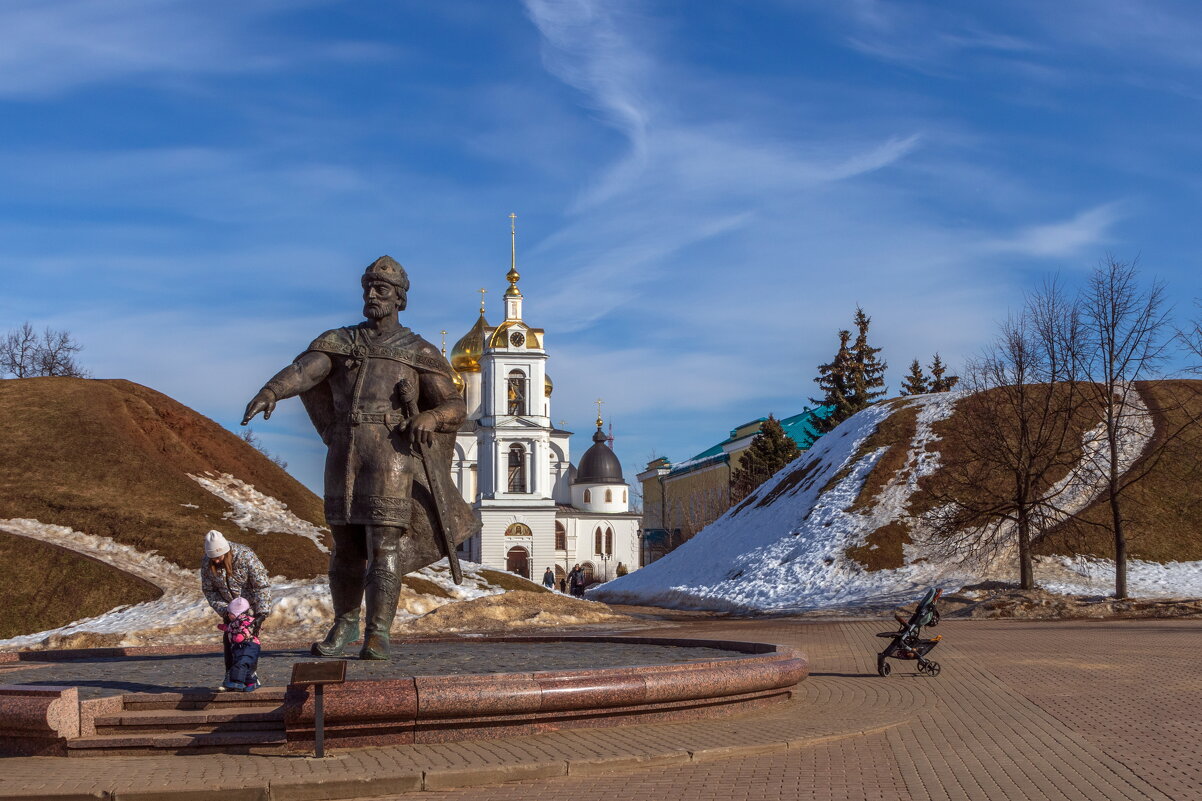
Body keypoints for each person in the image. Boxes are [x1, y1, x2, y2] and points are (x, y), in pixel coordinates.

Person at [242, 256, 476, 661]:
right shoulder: (340, 341)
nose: (371, 294)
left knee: (384, 545)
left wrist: (431, 415)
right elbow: (304, 370)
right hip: (345, 451)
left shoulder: (417, 351)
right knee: (345, 547)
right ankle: (345, 622)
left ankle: (378, 631)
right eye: (367, 286)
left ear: (400, 298)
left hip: (391, 454)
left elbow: (455, 405)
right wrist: (272, 390)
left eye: (381, 288)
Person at [200, 530, 271, 691]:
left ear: (226, 552)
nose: (216, 560)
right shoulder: (207, 562)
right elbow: (209, 590)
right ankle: (231, 675)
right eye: (213, 558)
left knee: (247, 644)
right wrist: (226, 611)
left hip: (251, 610)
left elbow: (262, 585)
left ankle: (250, 676)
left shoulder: (245, 555)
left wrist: (261, 613)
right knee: (230, 641)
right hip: (230, 611)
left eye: (219, 557)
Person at [217, 596, 261, 692]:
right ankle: (252, 683)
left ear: (237, 613)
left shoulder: (244, 620)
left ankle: (237, 682)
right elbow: (230, 628)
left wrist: (241, 635)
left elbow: (246, 626)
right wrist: (223, 627)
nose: (228, 615)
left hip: (250, 646)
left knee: (240, 664)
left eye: (230, 613)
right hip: (243, 646)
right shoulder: (235, 622)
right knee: (245, 666)